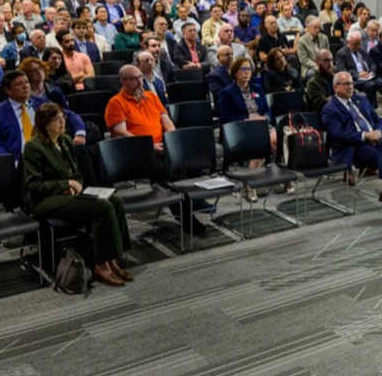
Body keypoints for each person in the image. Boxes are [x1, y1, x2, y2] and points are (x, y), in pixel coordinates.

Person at [23, 103, 132, 287]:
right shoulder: (34, 147)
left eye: (63, 118)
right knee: (102, 207)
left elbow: (76, 172)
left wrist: (76, 184)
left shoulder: (65, 141)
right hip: (46, 200)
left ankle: (113, 259)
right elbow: (34, 185)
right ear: (45, 124)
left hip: (71, 194)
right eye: (57, 119)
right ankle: (101, 265)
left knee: (115, 200)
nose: (62, 122)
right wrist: (65, 185)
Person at [104, 65, 206, 235]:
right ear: (123, 81)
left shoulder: (151, 97)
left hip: (161, 145)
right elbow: (121, 133)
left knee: (192, 158)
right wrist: (150, 147)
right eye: (134, 79)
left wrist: (172, 142)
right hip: (136, 152)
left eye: (140, 77)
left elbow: (167, 121)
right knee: (164, 174)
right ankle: (187, 218)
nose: (139, 82)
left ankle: (195, 200)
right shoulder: (116, 103)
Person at [321, 71, 382, 226]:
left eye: (352, 83)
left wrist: (378, 132)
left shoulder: (361, 99)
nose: (351, 87)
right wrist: (365, 135)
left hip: (375, 139)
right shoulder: (330, 109)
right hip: (354, 147)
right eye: (346, 84)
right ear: (335, 87)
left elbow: (378, 120)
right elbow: (338, 135)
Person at [0, 69, 85, 165]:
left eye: (27, 82)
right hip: (19, 161)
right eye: (19, 84)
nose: (25, 86)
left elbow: (70, 115)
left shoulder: (41, 102)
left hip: (49, 155)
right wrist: (12, 164)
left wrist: (80, 134)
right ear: (7, 90)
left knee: (81, 154)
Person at [217, 57, 284, 200]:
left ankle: (281, 174)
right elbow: (225, 118)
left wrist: (264, 118)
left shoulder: (257, 88)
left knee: (278, 139)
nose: (247, 72)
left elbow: (267, 110)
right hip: (241, 129)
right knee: (262, 141)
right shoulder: (227, 93)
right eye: (243, 69)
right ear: (235, 72)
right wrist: (247, 119)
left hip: (261, 125)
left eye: (249, 69)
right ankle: (251, 184)